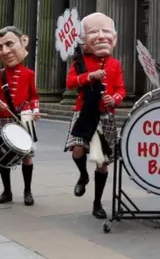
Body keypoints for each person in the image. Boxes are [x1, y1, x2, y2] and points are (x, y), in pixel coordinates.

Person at [65, 12, 126, 219]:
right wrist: (88, 76)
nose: (101, 36)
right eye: (93, 32)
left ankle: (97, 203)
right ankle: (83, 176)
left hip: (105, 115)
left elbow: (121, 89)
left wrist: (115, 99)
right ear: (83, 39)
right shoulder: (80, 61)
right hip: (84, 111)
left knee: (103, 163)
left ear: (114, 38)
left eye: (106, 31)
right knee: (77, 151)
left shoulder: (115, 64)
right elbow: (71, 82)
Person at [0, 26, 40, 206]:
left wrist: (35, 109)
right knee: (3, 155)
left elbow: (33, 96)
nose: (4, 52)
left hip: (24, 117)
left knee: (27, 155)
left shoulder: (29, 74)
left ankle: (27, 191)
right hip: (2, 117)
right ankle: (7, 192)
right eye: (0, 48)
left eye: (9, 44)